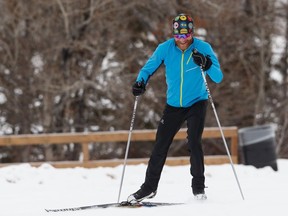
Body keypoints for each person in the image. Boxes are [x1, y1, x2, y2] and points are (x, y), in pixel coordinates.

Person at [127, 13, 223, 203]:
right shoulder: (165, 48)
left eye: (186, 35)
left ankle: (198, 189)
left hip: (197, 101)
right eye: (178, 35)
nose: (182, 40)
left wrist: (207, 63)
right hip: (173, 105)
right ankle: (149, 188)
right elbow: (148, 68)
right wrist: (140, 82)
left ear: (192, 33)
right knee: (160, 145)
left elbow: (218, 77)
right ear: (174, 34)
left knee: (194, 142)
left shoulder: (203, 48)